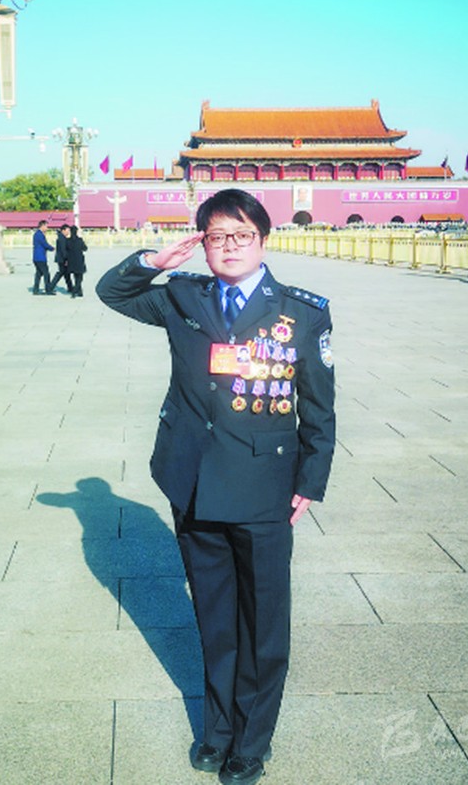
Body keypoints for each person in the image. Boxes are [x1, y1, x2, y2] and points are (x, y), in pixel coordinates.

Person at [96, 189, 335, 785]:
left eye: (242, 234)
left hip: (263, 486)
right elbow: (112, 292)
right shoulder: (183, 296)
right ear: (202, 243)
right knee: (214, 616)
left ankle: (252, 742)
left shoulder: (301, 312)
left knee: (263, 624)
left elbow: (319, 406)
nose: (230, 247)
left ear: (264, 240)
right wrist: (153, 261)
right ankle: (219, 729)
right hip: (194, 481)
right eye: (217, 236)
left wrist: (310, 480)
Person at [32, 220, 55, 295]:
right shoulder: (39, 235)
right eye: (46, 226)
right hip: (40, 257)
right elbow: (44, 244)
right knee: (46, 273)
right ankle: (48, 290)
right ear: (42, 226)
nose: (47, 228)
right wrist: (52, 248)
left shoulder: (37, 234)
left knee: (39, 274)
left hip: (37, 257)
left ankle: (36, 290)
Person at [50, 223, 74, 294]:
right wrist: (66, 259)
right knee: (61, 273)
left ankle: (70, 288)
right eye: (67, 230)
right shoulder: (62, 239)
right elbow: (63, 250)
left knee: (66, 274)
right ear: (63, 230)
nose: (68, 232)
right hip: (62, 259)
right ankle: (50, 287)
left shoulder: (61, 237)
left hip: (61, 258)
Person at [66, 225, 88, 297]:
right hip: (79, 260)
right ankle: (75, 291)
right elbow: (85, 248)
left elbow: (66, 250)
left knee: (76, 277)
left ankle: (80, 292)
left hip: (71, 260)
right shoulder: (80, 240)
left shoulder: (68, 241)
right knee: (80, 277)